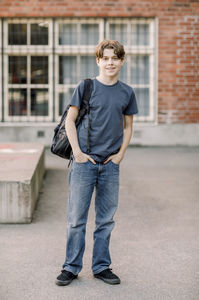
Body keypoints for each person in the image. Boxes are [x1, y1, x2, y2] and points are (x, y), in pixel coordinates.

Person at [56, 40, 138, 286]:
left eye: (115, 58)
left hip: (110, 165)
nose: (110, 62)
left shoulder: (127, 92)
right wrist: (78, 153)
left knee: (106, 220)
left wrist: (121, 154)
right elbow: (70, 121)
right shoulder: (86, 86)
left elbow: (128, 126)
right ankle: (71, 267)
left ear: (122, 61)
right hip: (84, 164)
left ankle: (101, 267)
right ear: (98, 61)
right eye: (106, 58)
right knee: (76, 219)